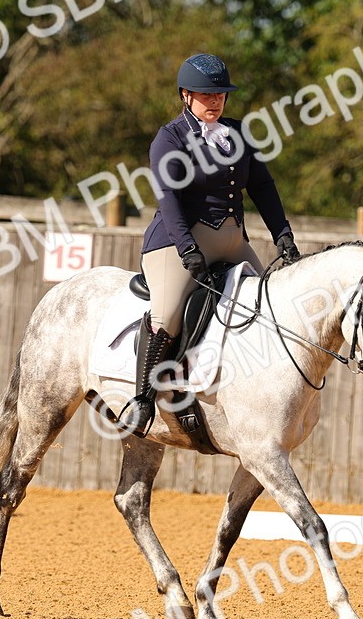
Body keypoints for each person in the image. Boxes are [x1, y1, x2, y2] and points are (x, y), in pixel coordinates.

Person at [121, 53, 302, 436]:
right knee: (168, 315)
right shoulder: (168, 138)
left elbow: (263, 187)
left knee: (271, 307)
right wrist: (187, 249)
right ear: (186, 95)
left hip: (233, 239)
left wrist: (282, 233)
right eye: (206, 94)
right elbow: (168, 198)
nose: (215, 101)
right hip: (176, 242)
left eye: (221, 94)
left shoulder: (238, 133)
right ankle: (141, 399)